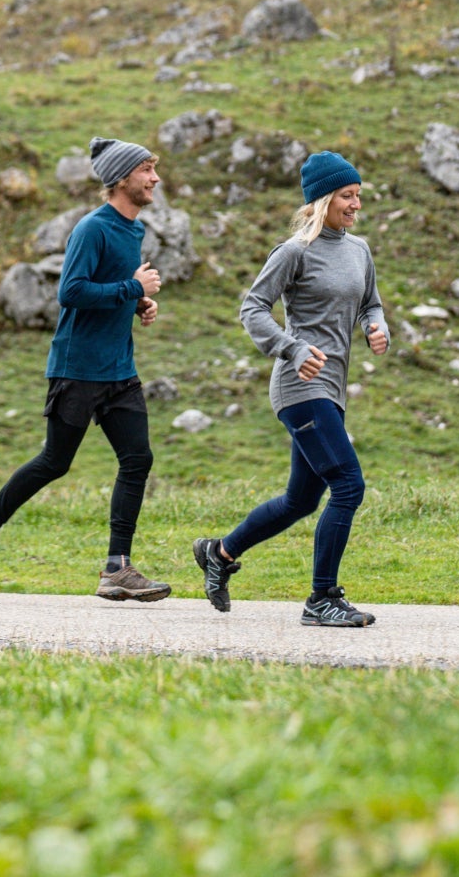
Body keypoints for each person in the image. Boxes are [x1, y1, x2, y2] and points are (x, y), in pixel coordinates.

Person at [0, 137, 171, 601]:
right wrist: (129, 288)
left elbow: (110, 288)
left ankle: (117, 568)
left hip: (119, 368)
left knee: (138, 459)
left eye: (154, 168)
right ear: (120, 179)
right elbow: (70, 292)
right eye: (146, 170)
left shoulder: (134, 230)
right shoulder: (91, 228)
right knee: (55, 462)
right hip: (77, 367)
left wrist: (137, 303)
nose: (155, 177)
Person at [192, 150, 387, 627]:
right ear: (323, 199)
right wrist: (292, 348)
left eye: (359, 195)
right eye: (347, 196)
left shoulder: (359, 249)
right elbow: (252, 308)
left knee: (301, 500)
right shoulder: (294, 251)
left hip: (333, 387)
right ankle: (322, 598)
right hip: (300, 387)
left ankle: (219, 553)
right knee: (348, 485)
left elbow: (371, 303)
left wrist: (376, 326)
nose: (356, 204)